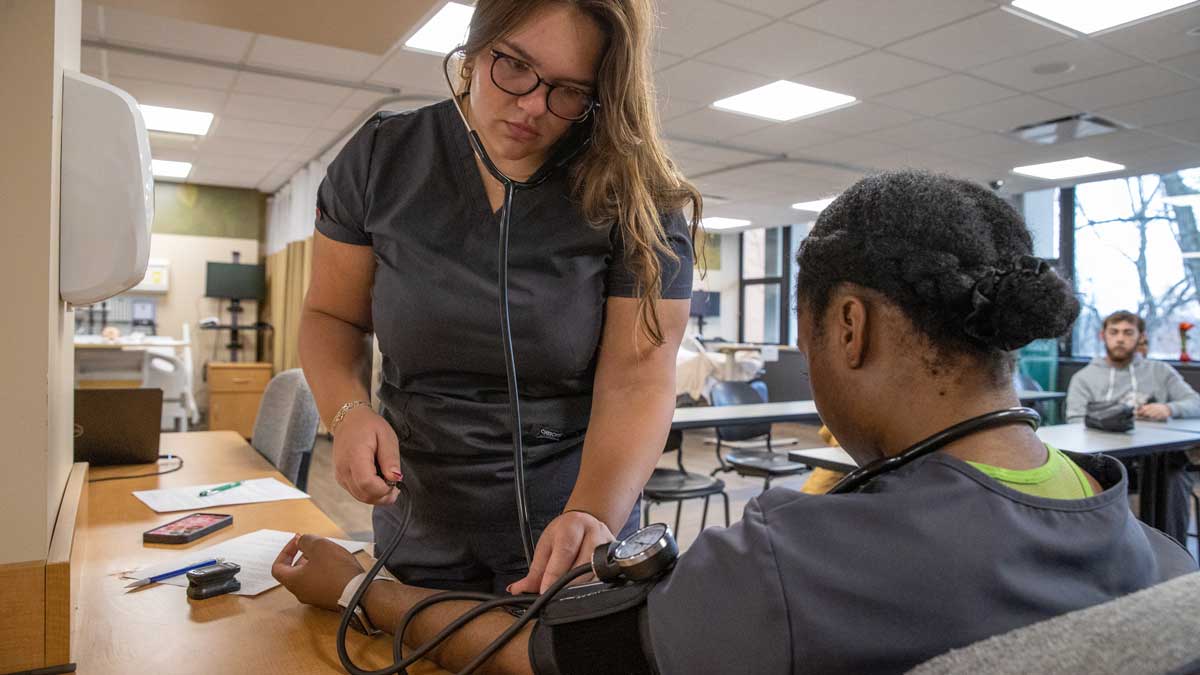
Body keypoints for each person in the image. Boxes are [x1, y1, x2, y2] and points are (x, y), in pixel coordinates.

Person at [275, 170, 1195, 674]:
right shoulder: (1159, 559)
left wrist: (360, 590)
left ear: (847, 326)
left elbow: (545, 652)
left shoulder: (800, 565)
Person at [299, 0, 700, 595]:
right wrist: (347, 410)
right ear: (473, 50)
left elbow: (639, 378)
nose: (534, 105)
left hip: (570, 520)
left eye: (570, 91)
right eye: (513, 66)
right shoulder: (382, 159)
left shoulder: (635, 194)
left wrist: (592, 512)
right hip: (418, 509)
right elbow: (330, 315)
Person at [1066, 309, 1200, 543]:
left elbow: (1195, 403)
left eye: (1128, 333)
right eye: (1114, 332)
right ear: (1103, 336)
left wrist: (1168, 409)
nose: (1120, 338)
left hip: (1159, 459)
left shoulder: (1160, 372)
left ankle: (1173, 554)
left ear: (1140, 337)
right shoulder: (1084, 378)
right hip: (1106, 460)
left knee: (1173, 476)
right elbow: (1074, 421)